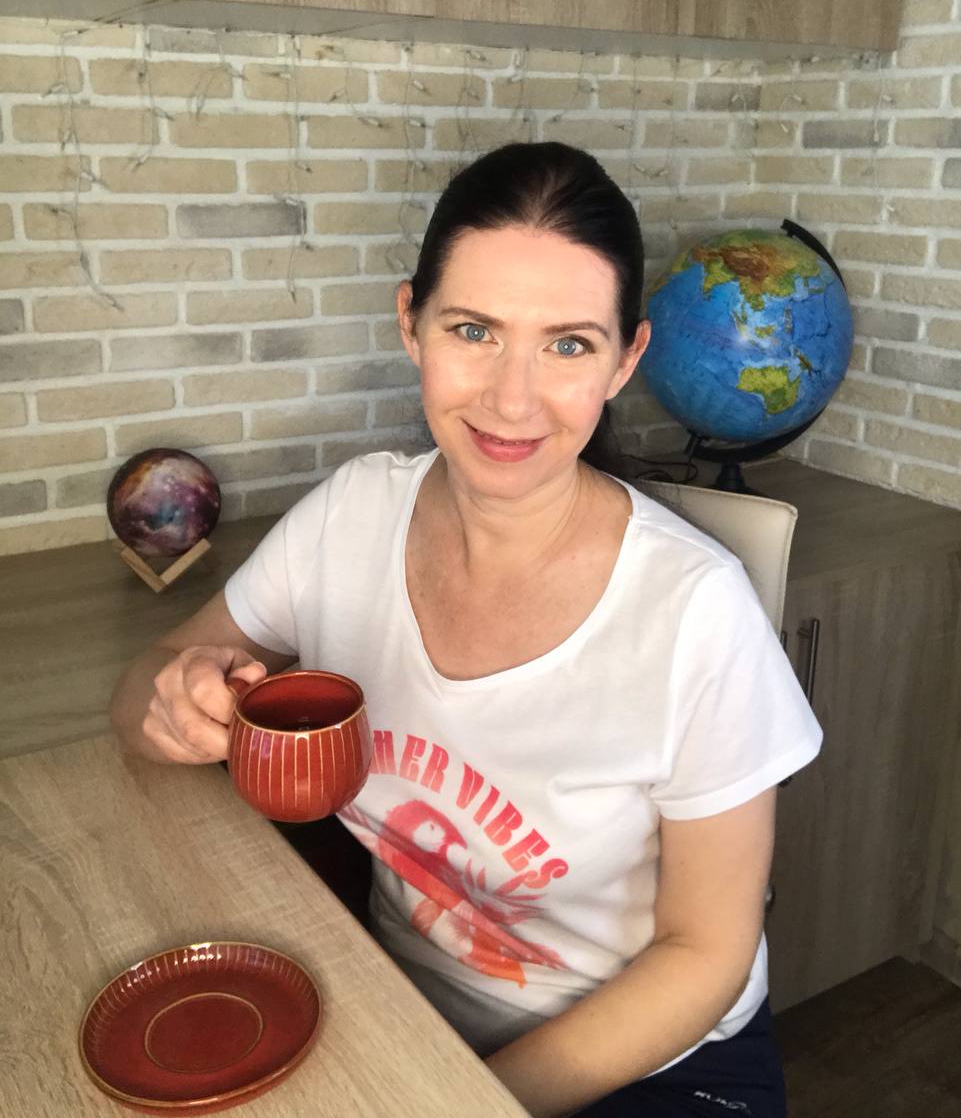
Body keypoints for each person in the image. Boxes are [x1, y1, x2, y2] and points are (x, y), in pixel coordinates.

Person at [111, 141, 822, 1118]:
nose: (510, 398)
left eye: (567, 345)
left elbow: (704, 953)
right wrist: (171, 702)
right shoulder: (351, 514)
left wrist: (462, 1101)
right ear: (411, 322)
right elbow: (148, 678)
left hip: (646, 1060)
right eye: (474, 329)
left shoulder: (697, 609)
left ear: (625, 359)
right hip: (395, 1009)